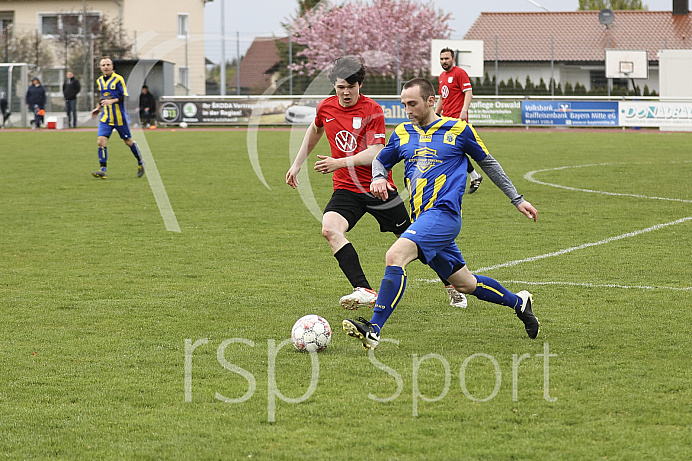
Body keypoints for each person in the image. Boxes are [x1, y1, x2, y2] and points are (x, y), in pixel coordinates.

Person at [342, 78, 540, 351]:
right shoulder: (402, 133)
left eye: (413, 104)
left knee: (395, 256)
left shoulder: (459, 130)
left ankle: (373, 329)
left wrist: (516, 199)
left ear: (430, 101)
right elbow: (381, 158)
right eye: (403, 105)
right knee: (465, 284)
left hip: (444, 215)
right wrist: (378, 176)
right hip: (423, 219)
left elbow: (489, 164)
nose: (408, 110)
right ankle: (519, 302)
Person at [286, 56, 468, 310]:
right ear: (334, 86)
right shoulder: (325, 107)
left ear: (360, 84)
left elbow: (375, 152)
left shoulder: (372, 110)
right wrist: (297, 164)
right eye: (341, 87)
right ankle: (363, 289)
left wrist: (338, 162)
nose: (346, 92)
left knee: (414, 240)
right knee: (329, 230)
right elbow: (315, 130)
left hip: (377, 189)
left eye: (351, 86)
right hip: (346, 190)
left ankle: (450, 284)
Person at [435, 47, 484, 195]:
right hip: (445, 119)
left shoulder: (460, 73)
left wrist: (463, 111)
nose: (444, 61)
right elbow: (442, 98)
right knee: (452, 149)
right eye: (442, 59)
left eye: (447, 58)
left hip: (457, 119)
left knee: (451, 149)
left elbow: (468, 92)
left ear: (453, 59)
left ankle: (470, 176)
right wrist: (435, 113)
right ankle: (474, 176)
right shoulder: (442, 76)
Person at [90, 56, 145, 179]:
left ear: (112, 66)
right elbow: (105, 98)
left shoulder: (118, 79)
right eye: (103, 65)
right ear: (100, 67)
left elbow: (126, 97)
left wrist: (112, 101)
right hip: (106, 117)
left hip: (120, 117)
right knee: (101, 141)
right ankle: (103, 169)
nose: (106, 67)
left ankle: (141, 161)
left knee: (128, 142)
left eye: (108, 65)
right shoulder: (99, 81)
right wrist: (98, 108)